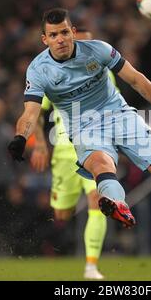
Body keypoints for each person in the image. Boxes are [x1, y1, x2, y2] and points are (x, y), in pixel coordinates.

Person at [8, 8, 151, 266]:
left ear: (73, 32)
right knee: (101, 166)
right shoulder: (39, 70)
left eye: (64, 32)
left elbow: (137, 80)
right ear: (45, 39)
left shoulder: (97, 50)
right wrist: (21, 137)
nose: (60, 39)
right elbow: (30, 112)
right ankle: (117, 204)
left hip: (120, 115)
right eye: (53, 35)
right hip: (84, 127)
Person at [29, 28, 112, 279]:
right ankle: (47, 248)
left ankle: (91, 266)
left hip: (94, 148)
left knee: (97, 201)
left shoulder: (105, 73)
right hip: (64, 153)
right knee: (61, 214)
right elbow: (36, 113)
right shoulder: (52, 73)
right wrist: (41, 145)